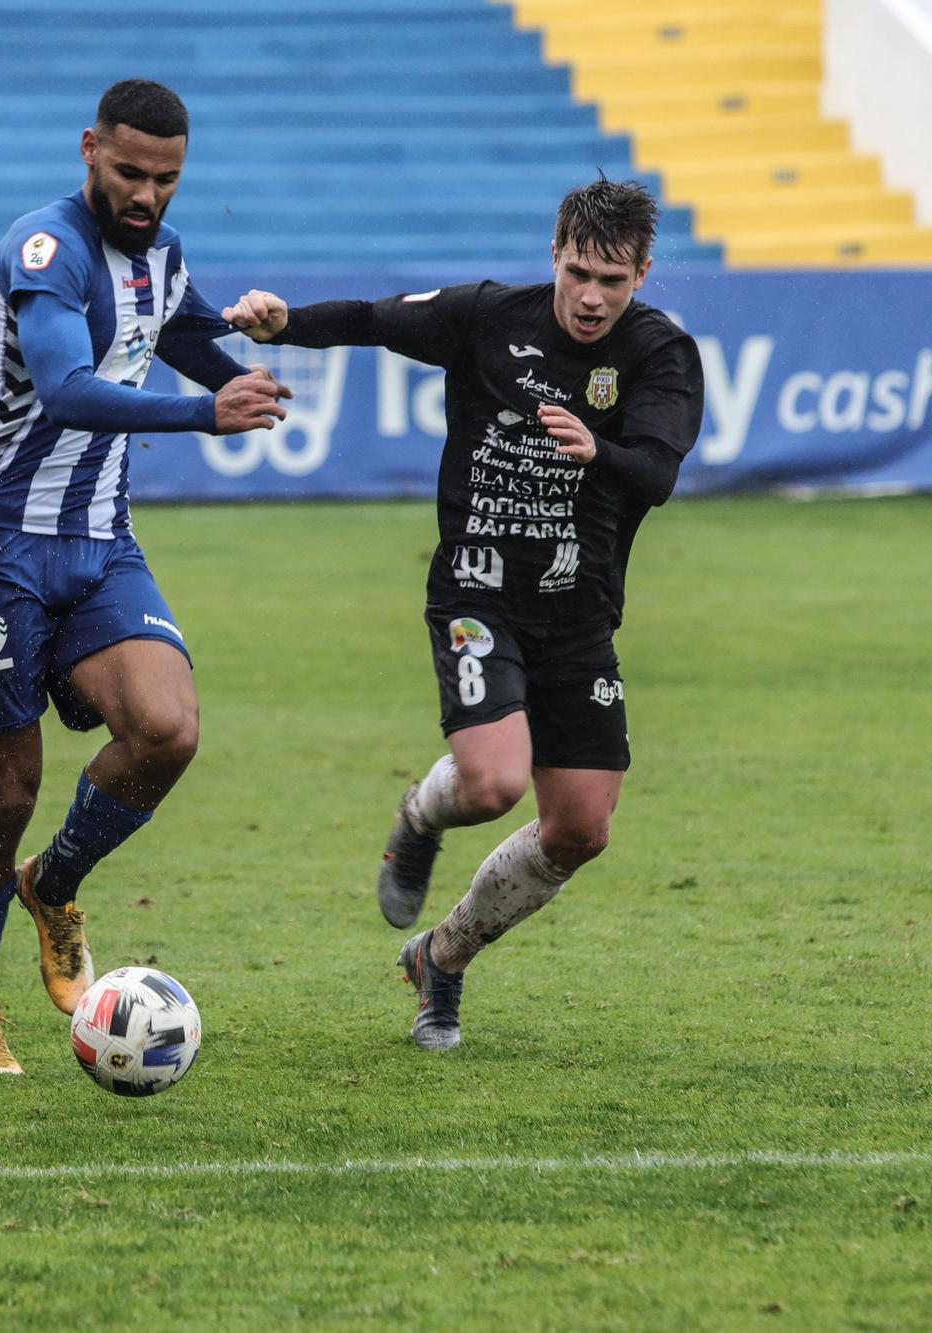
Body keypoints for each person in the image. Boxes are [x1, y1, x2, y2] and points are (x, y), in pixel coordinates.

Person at [223, 179, 705, 1051]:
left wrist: (601, 449)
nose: (592, 297)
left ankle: (440, 959)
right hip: (478, 592)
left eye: (614, 280)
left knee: (582, 827)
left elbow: (659, 475)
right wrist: (284, 323)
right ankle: (421, 814)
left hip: (580, 611)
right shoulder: (487, 317)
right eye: (579, 272)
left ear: (642, 273)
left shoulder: (660, 355)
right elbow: (374, 318)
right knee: (492, 784)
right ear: (554, 252)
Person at [0, 79, 290, 1075]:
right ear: (89, 148)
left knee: (166, 730)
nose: (145, 194)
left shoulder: (160, 252)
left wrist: (241, 361)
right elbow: (67, 387)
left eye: (165, 178)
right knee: (4, 797)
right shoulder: (46, 253)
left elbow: (173, 329)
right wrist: (201, 414)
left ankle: (56, 881)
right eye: (128, 172)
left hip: (96, 543)